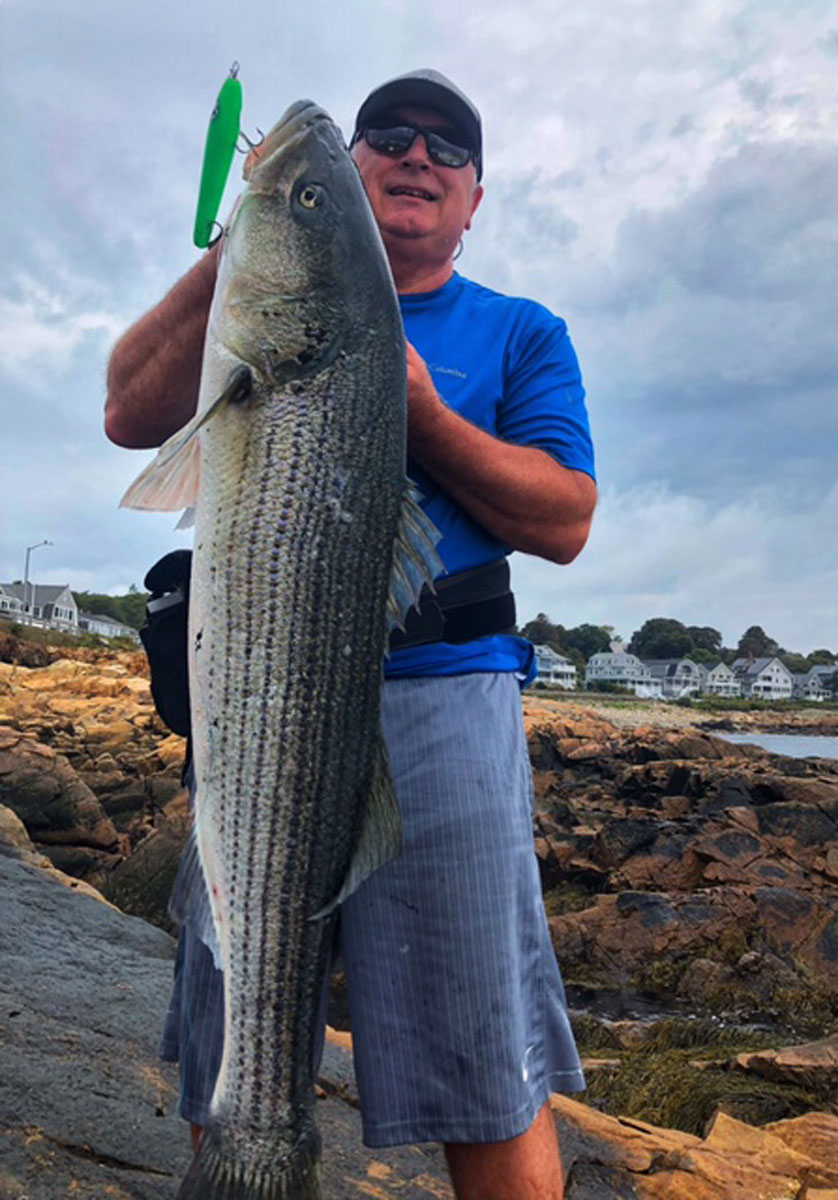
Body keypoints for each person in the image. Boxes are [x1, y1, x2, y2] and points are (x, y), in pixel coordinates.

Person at [105, 68, 596, 1200]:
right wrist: (250, 239)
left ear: (477, 199)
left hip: (447, 695)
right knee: (236, 1025)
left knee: (488, 1062)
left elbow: (566, 518)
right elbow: (130, 412)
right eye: (389, 137)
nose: (417, 154)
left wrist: (420, 413)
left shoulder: (523, 334)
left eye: (449, 147)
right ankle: (249, 1153)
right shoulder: (252, 295)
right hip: (261, 688)